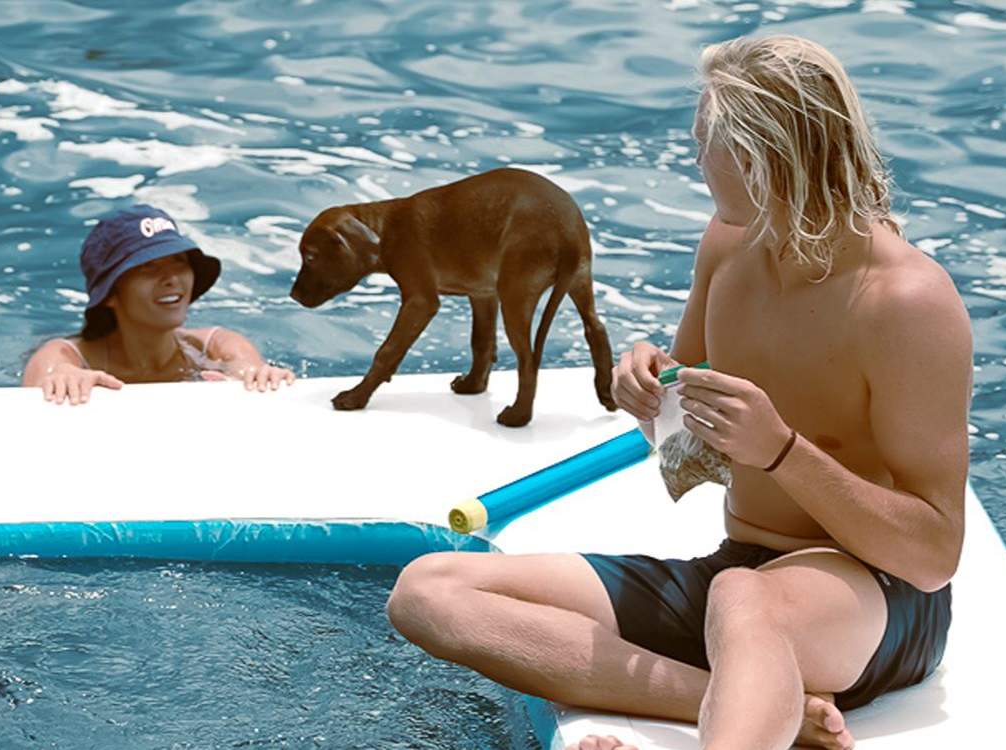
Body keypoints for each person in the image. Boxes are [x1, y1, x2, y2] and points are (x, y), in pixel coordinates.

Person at [383, 35, 969, 750]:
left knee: (740, 598)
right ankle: (761, 704)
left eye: (705, 144)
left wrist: (783, 452)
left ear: (763, 156)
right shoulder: (728, 243)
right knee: (431, 590)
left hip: (876, 600)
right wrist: (651, 399)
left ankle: (753, 703)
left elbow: (933, 554)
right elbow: (691, 458)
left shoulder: (905, 300)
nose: (694, 161)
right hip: (741, 573)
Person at [19, 204, 293, 404]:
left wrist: (258, 378)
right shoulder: (66, 356)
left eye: (179, 262)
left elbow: (245, 368)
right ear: (110, 294)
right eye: (148, 267)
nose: (172, 278)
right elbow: (48, 374)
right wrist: (62, 380)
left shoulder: (218, 347)